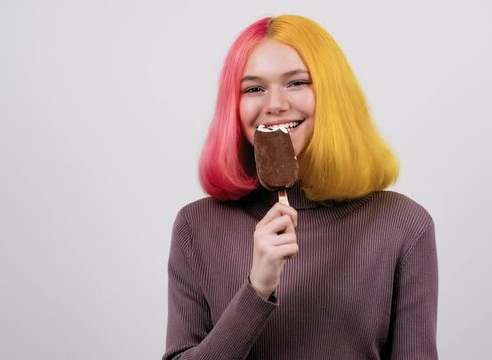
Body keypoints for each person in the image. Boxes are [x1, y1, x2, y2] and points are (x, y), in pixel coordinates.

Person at [163, 15, 438, 360]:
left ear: (332, 94)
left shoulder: (403, 224)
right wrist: (257, 287)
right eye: (254, 88)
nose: (275, 104)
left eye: (296, 83)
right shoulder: (196, 226)